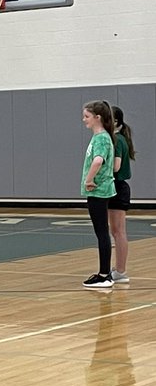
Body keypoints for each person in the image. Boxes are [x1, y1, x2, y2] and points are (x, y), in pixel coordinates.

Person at [80, 99, 116, 289]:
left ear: (98, 117)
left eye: (86, 116)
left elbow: (98, 160)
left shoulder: (101, 138)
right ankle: (104, 273)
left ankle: (104, 275)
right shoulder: (99, 137)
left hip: (98, 190)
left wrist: (89, 179)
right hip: (99, 190)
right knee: (101, 232)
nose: (83, 119)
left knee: (102, 232)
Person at [109, 105, 135, 284]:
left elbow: (116, 167)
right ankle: (119, 269)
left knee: (118, 232)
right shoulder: (121, 139)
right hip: (120, 188)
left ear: (115, 121)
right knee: (117, 231)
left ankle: (120, 270)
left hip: (117, 187)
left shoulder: (117, 140)